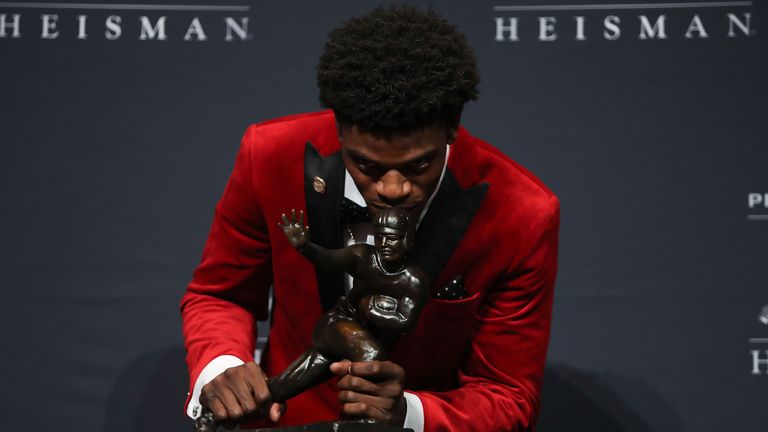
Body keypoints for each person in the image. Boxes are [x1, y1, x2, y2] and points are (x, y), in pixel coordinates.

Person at [181, 5, 559, 431]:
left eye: (418, 167)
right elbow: (221, 295)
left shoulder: (523, 213)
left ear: (453, 127)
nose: (393, 189)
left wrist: (409, 415)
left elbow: (508, 394)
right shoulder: (269, 156)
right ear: (339, 128)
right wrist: (222, 367)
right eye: (368, 166)